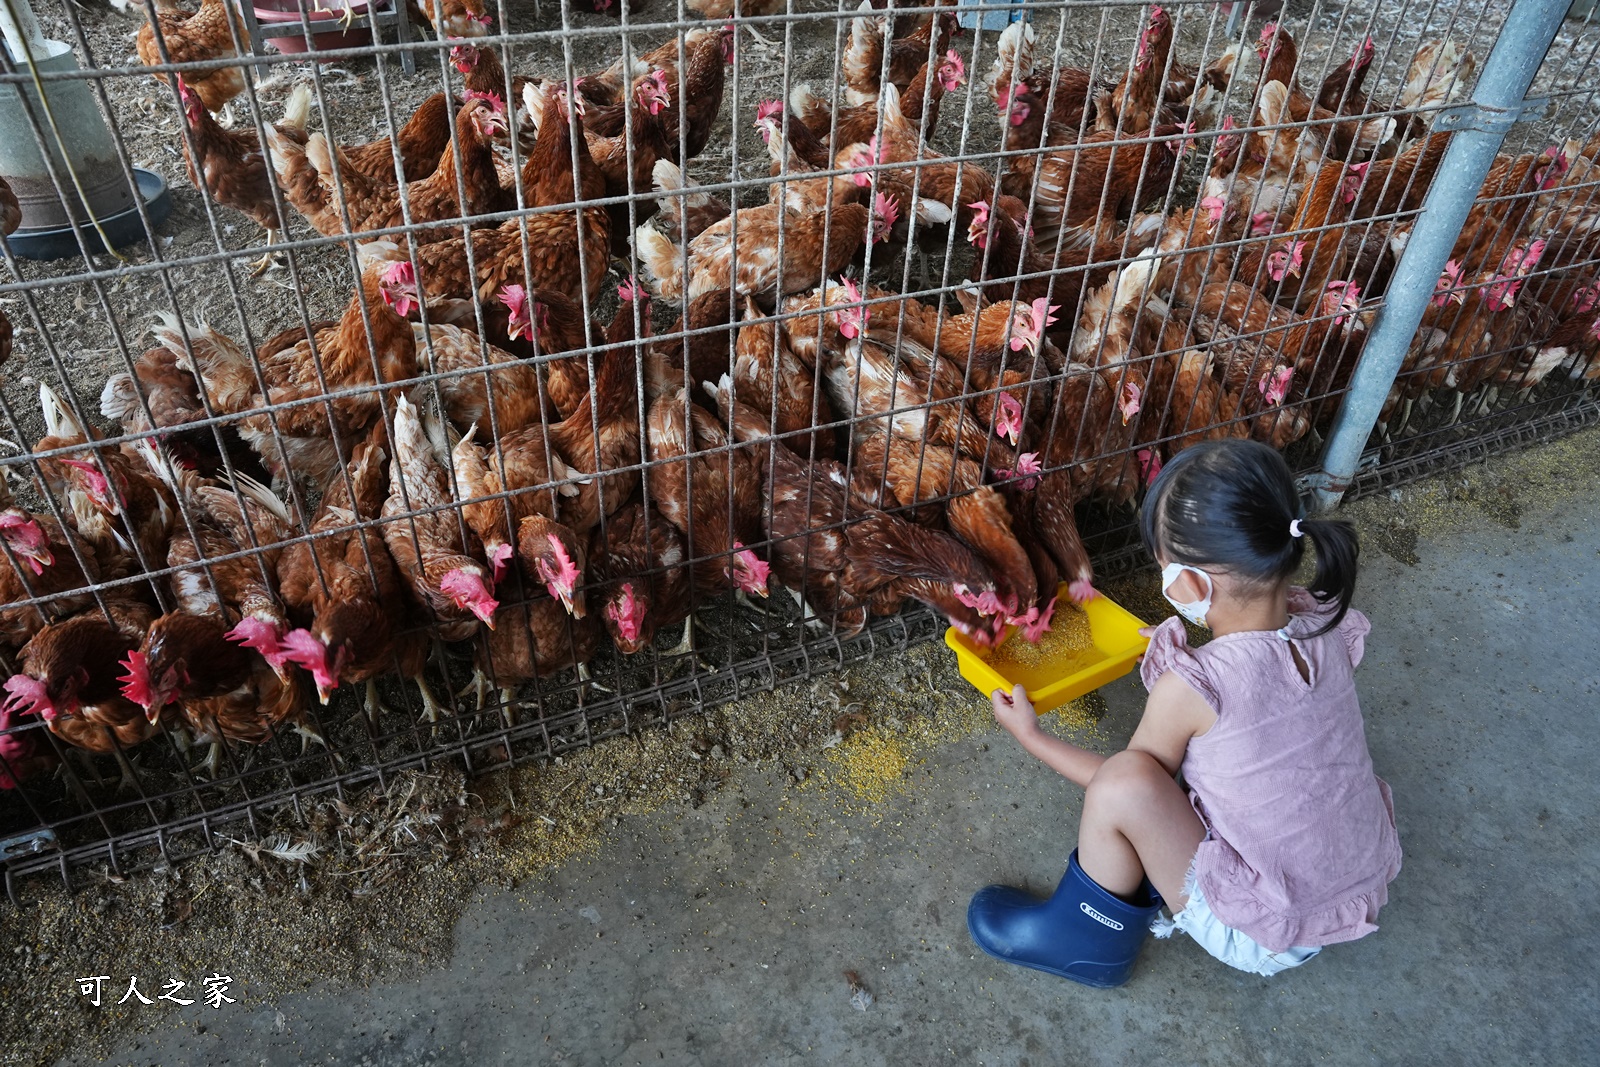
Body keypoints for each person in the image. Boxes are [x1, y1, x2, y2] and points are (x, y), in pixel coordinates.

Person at [967, 440, 1401, 987]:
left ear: (1189, 585)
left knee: (1125, 784)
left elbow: (1130, 783)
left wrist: (1033, 737)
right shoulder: (1326, 625)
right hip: (1351, 891)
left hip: (1265, 930)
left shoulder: (1192, 689)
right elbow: (1266, 696)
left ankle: (1084, 940)